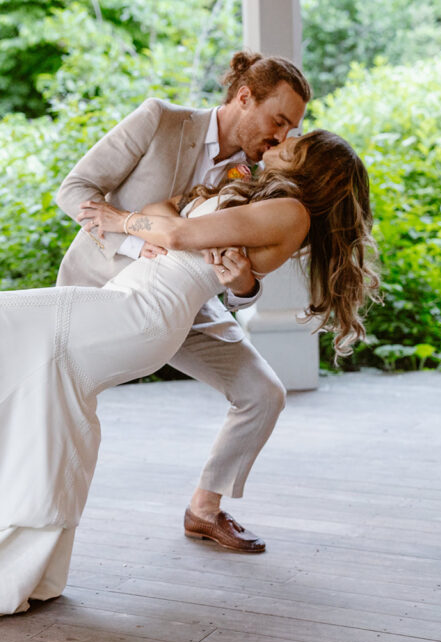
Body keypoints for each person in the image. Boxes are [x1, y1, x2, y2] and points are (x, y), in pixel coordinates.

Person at [0, 129, 379, 627]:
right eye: (286, 125)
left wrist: (120, 220)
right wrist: (156, 224)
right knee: (54, 412)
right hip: (136, 296)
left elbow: (179, 230)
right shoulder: (255, 191)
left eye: (299, 138)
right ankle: (33, 567)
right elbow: (172, 213)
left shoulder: (290, 212)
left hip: (142, 314)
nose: (287, 136)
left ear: (314, 166)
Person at [56, 51, 311, 553]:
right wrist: (135, 243)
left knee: (264, 393)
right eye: (278, 120)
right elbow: (75, 189)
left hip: (189, 307)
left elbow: (244, 268)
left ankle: (204, 510)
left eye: (292, 128)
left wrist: (242, 289)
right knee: (64, 407)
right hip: (103, 291)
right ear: (244, 97)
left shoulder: (263, 177)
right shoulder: (160, 120)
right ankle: (43, 518)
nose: (282, 137)